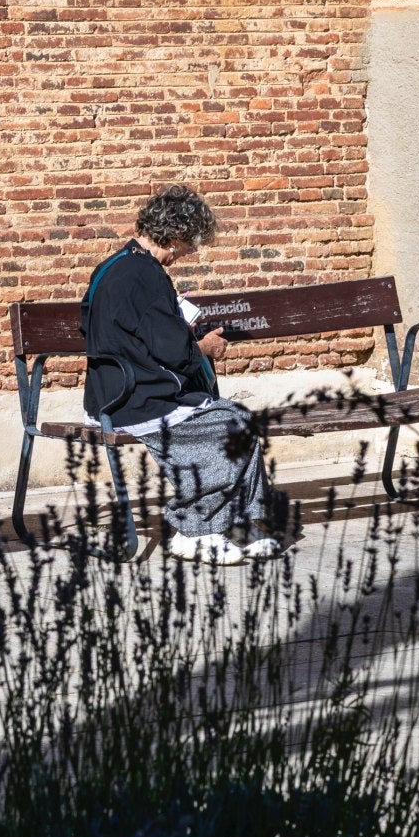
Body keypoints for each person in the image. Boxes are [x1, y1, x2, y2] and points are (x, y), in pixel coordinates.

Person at [81, 184, 285, 564]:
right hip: (131, 397)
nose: (191, 251)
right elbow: (171, 350)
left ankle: (235, 524)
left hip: (117, 389)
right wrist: (203, 347)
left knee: (235, 417)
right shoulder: (144, 274)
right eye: (191, 243)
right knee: (230, 425)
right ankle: (195, 531)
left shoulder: (117, 264)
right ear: (174, 237)